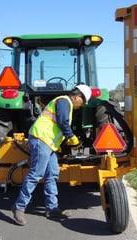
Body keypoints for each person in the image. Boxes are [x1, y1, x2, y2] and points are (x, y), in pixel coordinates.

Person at [11, 84, 92, 226]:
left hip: (48, 144)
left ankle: (52, 208)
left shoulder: (66, 104)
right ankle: (19, 207)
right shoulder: (64, 101)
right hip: (41, 139)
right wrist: (73, 139)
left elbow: (57, 127)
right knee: (36, 174)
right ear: (78, 96)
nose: (82, 105)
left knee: (52, 174)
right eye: (83, 101)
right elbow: (62, 122)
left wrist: (59, 146)